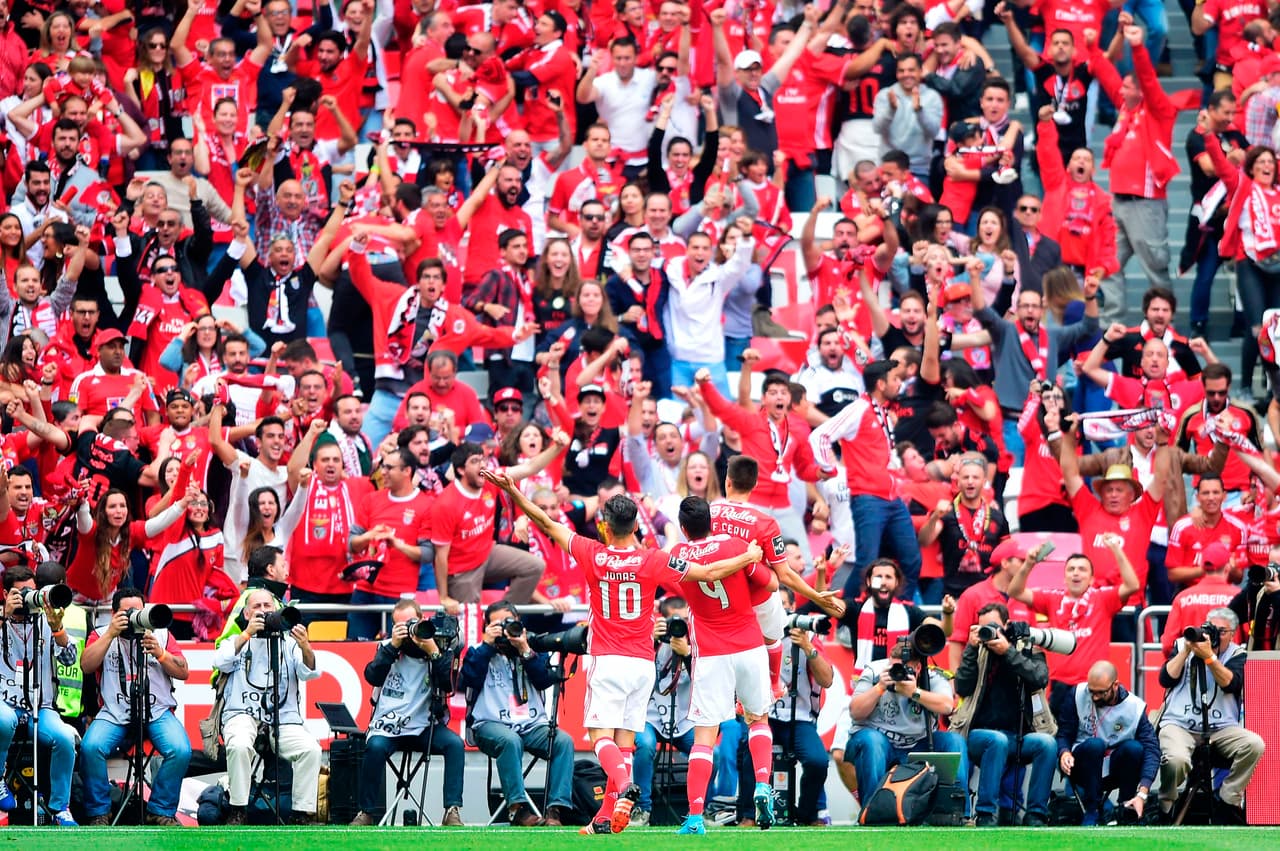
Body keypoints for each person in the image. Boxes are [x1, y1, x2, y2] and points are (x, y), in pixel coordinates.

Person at [483, 470, 761, 833]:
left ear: (605, 526)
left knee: (600, 738)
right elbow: (708, 573)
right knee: (625, 743)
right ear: (634, 527)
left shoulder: (592, 553)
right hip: (643, 663)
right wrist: (748, 556)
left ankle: (624, 785)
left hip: (608, 658)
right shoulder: (654, 560)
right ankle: (605, 818)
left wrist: (513, 491)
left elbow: (545, 521)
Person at [811, 359, 925, 601]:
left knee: (911, 559)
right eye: (895, 379)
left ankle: (899, 611)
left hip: (892, 499)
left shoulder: (881, 411)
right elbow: (820, 435)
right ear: (881, 384)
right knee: (866, 562)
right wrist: (829, 468)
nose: (899, 383)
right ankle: (847, 616)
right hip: (869, 498)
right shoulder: (858, 409)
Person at [79, 586, 191, 826]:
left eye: (138, 612)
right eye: (126, 612)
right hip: (114, 712)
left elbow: (184, 672)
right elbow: (86, 666)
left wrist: (160, 654)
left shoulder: (160, 634)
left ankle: (160, 810)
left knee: (180, 749)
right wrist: (110, 634)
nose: (133, 617)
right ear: (113, 613)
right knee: (91, 747)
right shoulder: (101, 634)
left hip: (157, 711)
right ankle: (99, 812)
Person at [459, 600, 576, 827]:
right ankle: (517, 809)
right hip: (490, 725)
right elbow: (469, 680)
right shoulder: (477, 651)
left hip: (532, 726)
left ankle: (556, 810)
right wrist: (487, 645)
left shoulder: (532, 648)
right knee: (510, 740)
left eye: (509, 623)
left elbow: (544, 681)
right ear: (487, 628)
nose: (504, 629)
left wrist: (525, 650)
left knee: (563, 741)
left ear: (519, 624)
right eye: (497, 625)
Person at [351, 600, 466, 827]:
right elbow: (373, 676)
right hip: (388, 726)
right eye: (400, 625)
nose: (407, 629)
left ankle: (451, 811)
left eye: (411, 623)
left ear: (422, 619)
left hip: (425, 725)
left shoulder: (438, 646)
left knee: (455, 744)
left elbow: (449, 685)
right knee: (374, 747)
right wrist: (393, 646)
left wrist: (433, 651)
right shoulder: (386, 647)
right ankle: (366, 812)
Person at [212, 588, 321, 825]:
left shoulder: (290, 643)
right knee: (239, 745)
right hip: (242, 714)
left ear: (277, 610)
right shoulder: (236, 639)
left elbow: (310, 672)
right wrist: (246, 634)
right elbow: (219, 661)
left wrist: (305, 646)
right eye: (257, 607)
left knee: (311, 749)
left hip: (284, 717)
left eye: (267, 606)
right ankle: (238, 809)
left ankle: (301, 814)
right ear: (247, 613)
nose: (263, 611)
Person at [1007, 537, 1139, 716]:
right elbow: (1015, 592)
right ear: (1064, 578)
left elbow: (1133, 585)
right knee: (1058, 737)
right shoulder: (1052, 599)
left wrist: (1116, 551)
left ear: (1092, 579)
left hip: (1093, 686)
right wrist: (1029, 563)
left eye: (1082, 569)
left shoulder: (1103, 599)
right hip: (1058, 685)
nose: (1076, 573)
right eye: (1071, 569)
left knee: (1092, 740)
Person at [952, 602, 1056, 827]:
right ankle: (986, 813)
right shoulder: (977, 651)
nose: (988, 633)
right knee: (996, 740)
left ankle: (1036, 814)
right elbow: (961, 687)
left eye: (993, 626)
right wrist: (970, 649)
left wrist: (1007, 651)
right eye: (982, 628)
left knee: (1046, 743)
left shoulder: (1026, 648)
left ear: (1007, 625)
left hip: (1018, 736)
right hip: (979, 735)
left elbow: (1039, 678)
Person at [1156, 607, 1264, 824]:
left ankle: (1228, 799)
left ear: (1233, 633)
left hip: (1221, 728)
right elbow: (1166, 679)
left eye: (1220, 631)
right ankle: (1166, 804)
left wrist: (1210, 658)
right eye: (1209, 628)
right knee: (1176, 760)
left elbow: (1230, 683)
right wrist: (1186, 651)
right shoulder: (1181, 645)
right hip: (1180, 724)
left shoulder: (1237, 654)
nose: (1212, 634)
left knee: (1254, 744)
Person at [845, 626, 966, 807]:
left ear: (917, 668)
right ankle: (872, 811)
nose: (898, 674)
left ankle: (958, 811)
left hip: (918, 743)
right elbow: (855, 712)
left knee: (954, 741)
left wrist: (914, 692)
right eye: (894, 667)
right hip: (880, 742)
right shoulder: (874, 670)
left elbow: (947, 706)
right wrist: (879, 687)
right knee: (871, 740)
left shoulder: (930, 675)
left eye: (904, 669)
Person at [0, 565, 79, 825]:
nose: (27, 598)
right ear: (5, 593)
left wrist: (58, 630)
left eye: (32, 592)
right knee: (3, 720)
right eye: (20, 593)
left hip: (40, 706)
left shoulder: (46, 620)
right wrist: (4, 617)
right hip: (4, 703)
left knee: (66, 737)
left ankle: (59, 808)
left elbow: (69, 661)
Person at [1055, 660, 1161, 826]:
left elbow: (1152, 749)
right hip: (1082, 766)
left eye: (1101, 693)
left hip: (1114, 769)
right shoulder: (1077, 694)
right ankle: (1092, 811)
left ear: (1115, 685)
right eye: (1092, 692)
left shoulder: (1134, 707)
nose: (1095, 697)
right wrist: (1064, 752)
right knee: (1095, 745)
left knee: (1134, 749)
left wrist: (1143, 792)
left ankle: (1126, 809)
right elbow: (1064, 733)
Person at [766, 589, 834, 827]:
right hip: (765, 716)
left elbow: (827, 680)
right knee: (747, 749)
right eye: (776, 607)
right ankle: (748, 814)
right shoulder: (758, 632)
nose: (782, 613)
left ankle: (807, 814)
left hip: (800, 716)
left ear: (794, 607)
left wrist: (807, 647)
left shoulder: (809, 636)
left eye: (785, 607)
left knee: (817, 761)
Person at [630, 597, 695, 827]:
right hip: (650, 715)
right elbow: (633, 673)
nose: (679, 627)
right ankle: (642, 809)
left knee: (711, 756)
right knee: (645, 745)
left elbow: (707, 680)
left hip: (684, 719)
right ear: (661, 620)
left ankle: (698, 810)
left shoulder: (699, 640)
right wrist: (652, 641)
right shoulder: (648, 640)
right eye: (672, 621)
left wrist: (687, 654)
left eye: (685, 621)